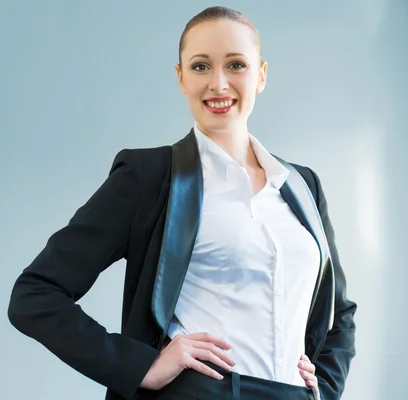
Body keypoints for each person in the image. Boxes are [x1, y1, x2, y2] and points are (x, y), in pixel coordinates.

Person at [7, 6, 356, 400]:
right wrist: (141, 366)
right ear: (181, 77)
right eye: (201, 66)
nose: (219, 83)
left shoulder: (302, 185)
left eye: (236, 65)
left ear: (261, 75)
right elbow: (34, 294)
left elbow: (339, 312)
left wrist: (324, 388)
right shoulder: (150, 176)